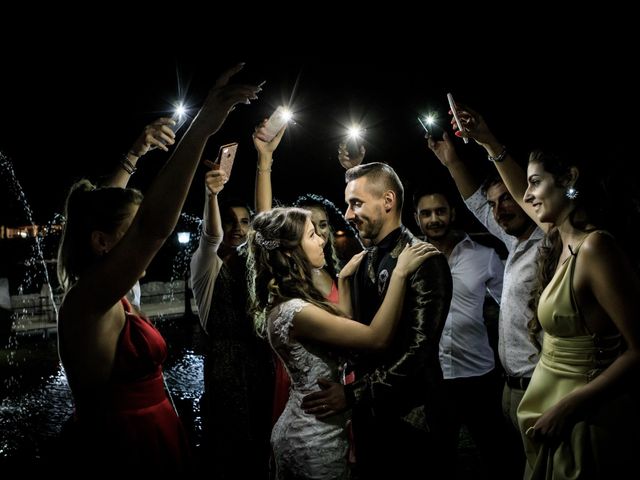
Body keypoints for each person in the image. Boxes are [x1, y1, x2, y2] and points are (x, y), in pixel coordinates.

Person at [55, 64, 260, 473]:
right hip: (124, 450)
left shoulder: (108, 293)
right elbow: (150, 225)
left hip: (152, 437)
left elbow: (101, 215)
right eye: (127, 235)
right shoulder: (88, 301)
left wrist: (132, 157)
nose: (140, 246)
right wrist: (203, 126)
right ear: (102, 243)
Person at [454, 104, 640, 478]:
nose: (529, 195)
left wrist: (569, 407)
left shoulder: (595, 247)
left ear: (568, 179)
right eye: (528, 185)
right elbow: (520, 192)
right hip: (549, 404)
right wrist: (487, 141)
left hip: (582, 413)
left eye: (536, 182)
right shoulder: (559, 242)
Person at [247, 206, 439, 479]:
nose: (322, 240)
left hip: (317, 423)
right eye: (312, 235)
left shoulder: (295, 303)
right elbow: (375, 338)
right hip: (313, 438)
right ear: (290, 252)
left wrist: (345, 280)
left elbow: (343, 327)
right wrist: (399, 275)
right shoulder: (297, 312)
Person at [303, 162, 453, 478]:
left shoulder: (423, 259)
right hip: (369, 417)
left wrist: (352, 394)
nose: (347, 213)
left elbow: (418, 351)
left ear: (387, 201)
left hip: (412, 419)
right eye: (348, 204)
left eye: (355, 203)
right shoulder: (362, 260)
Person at [427, 132, 543, 476]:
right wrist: (452, 161)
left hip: (539, 382)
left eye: (508, 199)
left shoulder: (550, 242)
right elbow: (477, 203)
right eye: (494, 204)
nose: (499, 210)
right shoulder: (515, 242)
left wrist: (492, 144)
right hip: (511, 384)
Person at [412, 187, 508, 477]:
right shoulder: (410, 259)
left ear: (452, 213)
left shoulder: (484, 256)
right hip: (434, 379)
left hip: (479, 375)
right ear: (417, 219)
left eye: (440, 211)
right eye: (426, 214)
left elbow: (511, 303)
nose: (434, 219)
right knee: (440, 458)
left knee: (497, 453)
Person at [189, 166, 274, 477]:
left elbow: (267, 228)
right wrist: (211, 195)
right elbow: (211, 237)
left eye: (244, 221)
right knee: (229, 442)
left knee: (264, 439)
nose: (238, 228)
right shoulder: (204, 264)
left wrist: (265, 161)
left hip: (260, 359)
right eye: (230, 221)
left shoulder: (256, 261)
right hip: (225, 363)